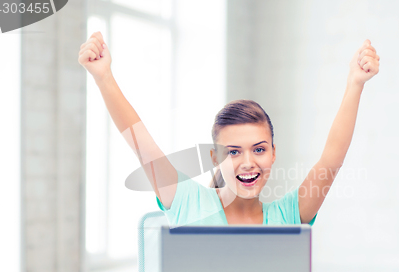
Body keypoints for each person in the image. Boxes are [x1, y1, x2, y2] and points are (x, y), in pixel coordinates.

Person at [78, 32, 380, 227]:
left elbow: (331, 161)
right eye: (233, 152)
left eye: (259, 149)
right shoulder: (186, 201)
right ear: (214, 158)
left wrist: (355, 83)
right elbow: (140, 142)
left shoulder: (289, 215)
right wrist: (103, 77)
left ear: (274, 154)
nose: (248, 162)